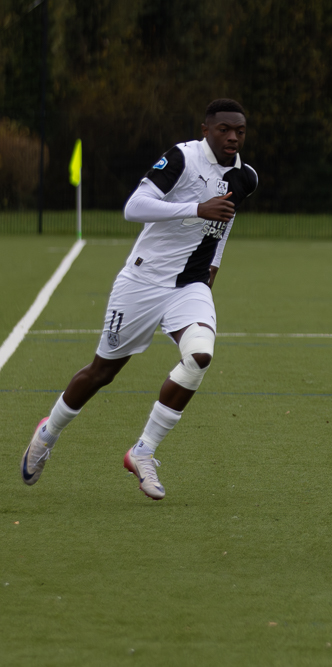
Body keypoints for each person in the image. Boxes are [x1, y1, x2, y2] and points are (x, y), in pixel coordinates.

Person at [21, 99, 258, 500]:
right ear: (206, 129)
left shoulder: (245, 177)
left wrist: (212, 268)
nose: (233, 136)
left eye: (240, 130)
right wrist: (196, 207)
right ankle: (47, 434)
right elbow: (134, 207)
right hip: (143, 281)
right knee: (102, 372)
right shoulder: (182, 158)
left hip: (190, 285)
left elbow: (223, 225)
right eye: (224, 129)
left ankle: (143, 451)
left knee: (200, 355)